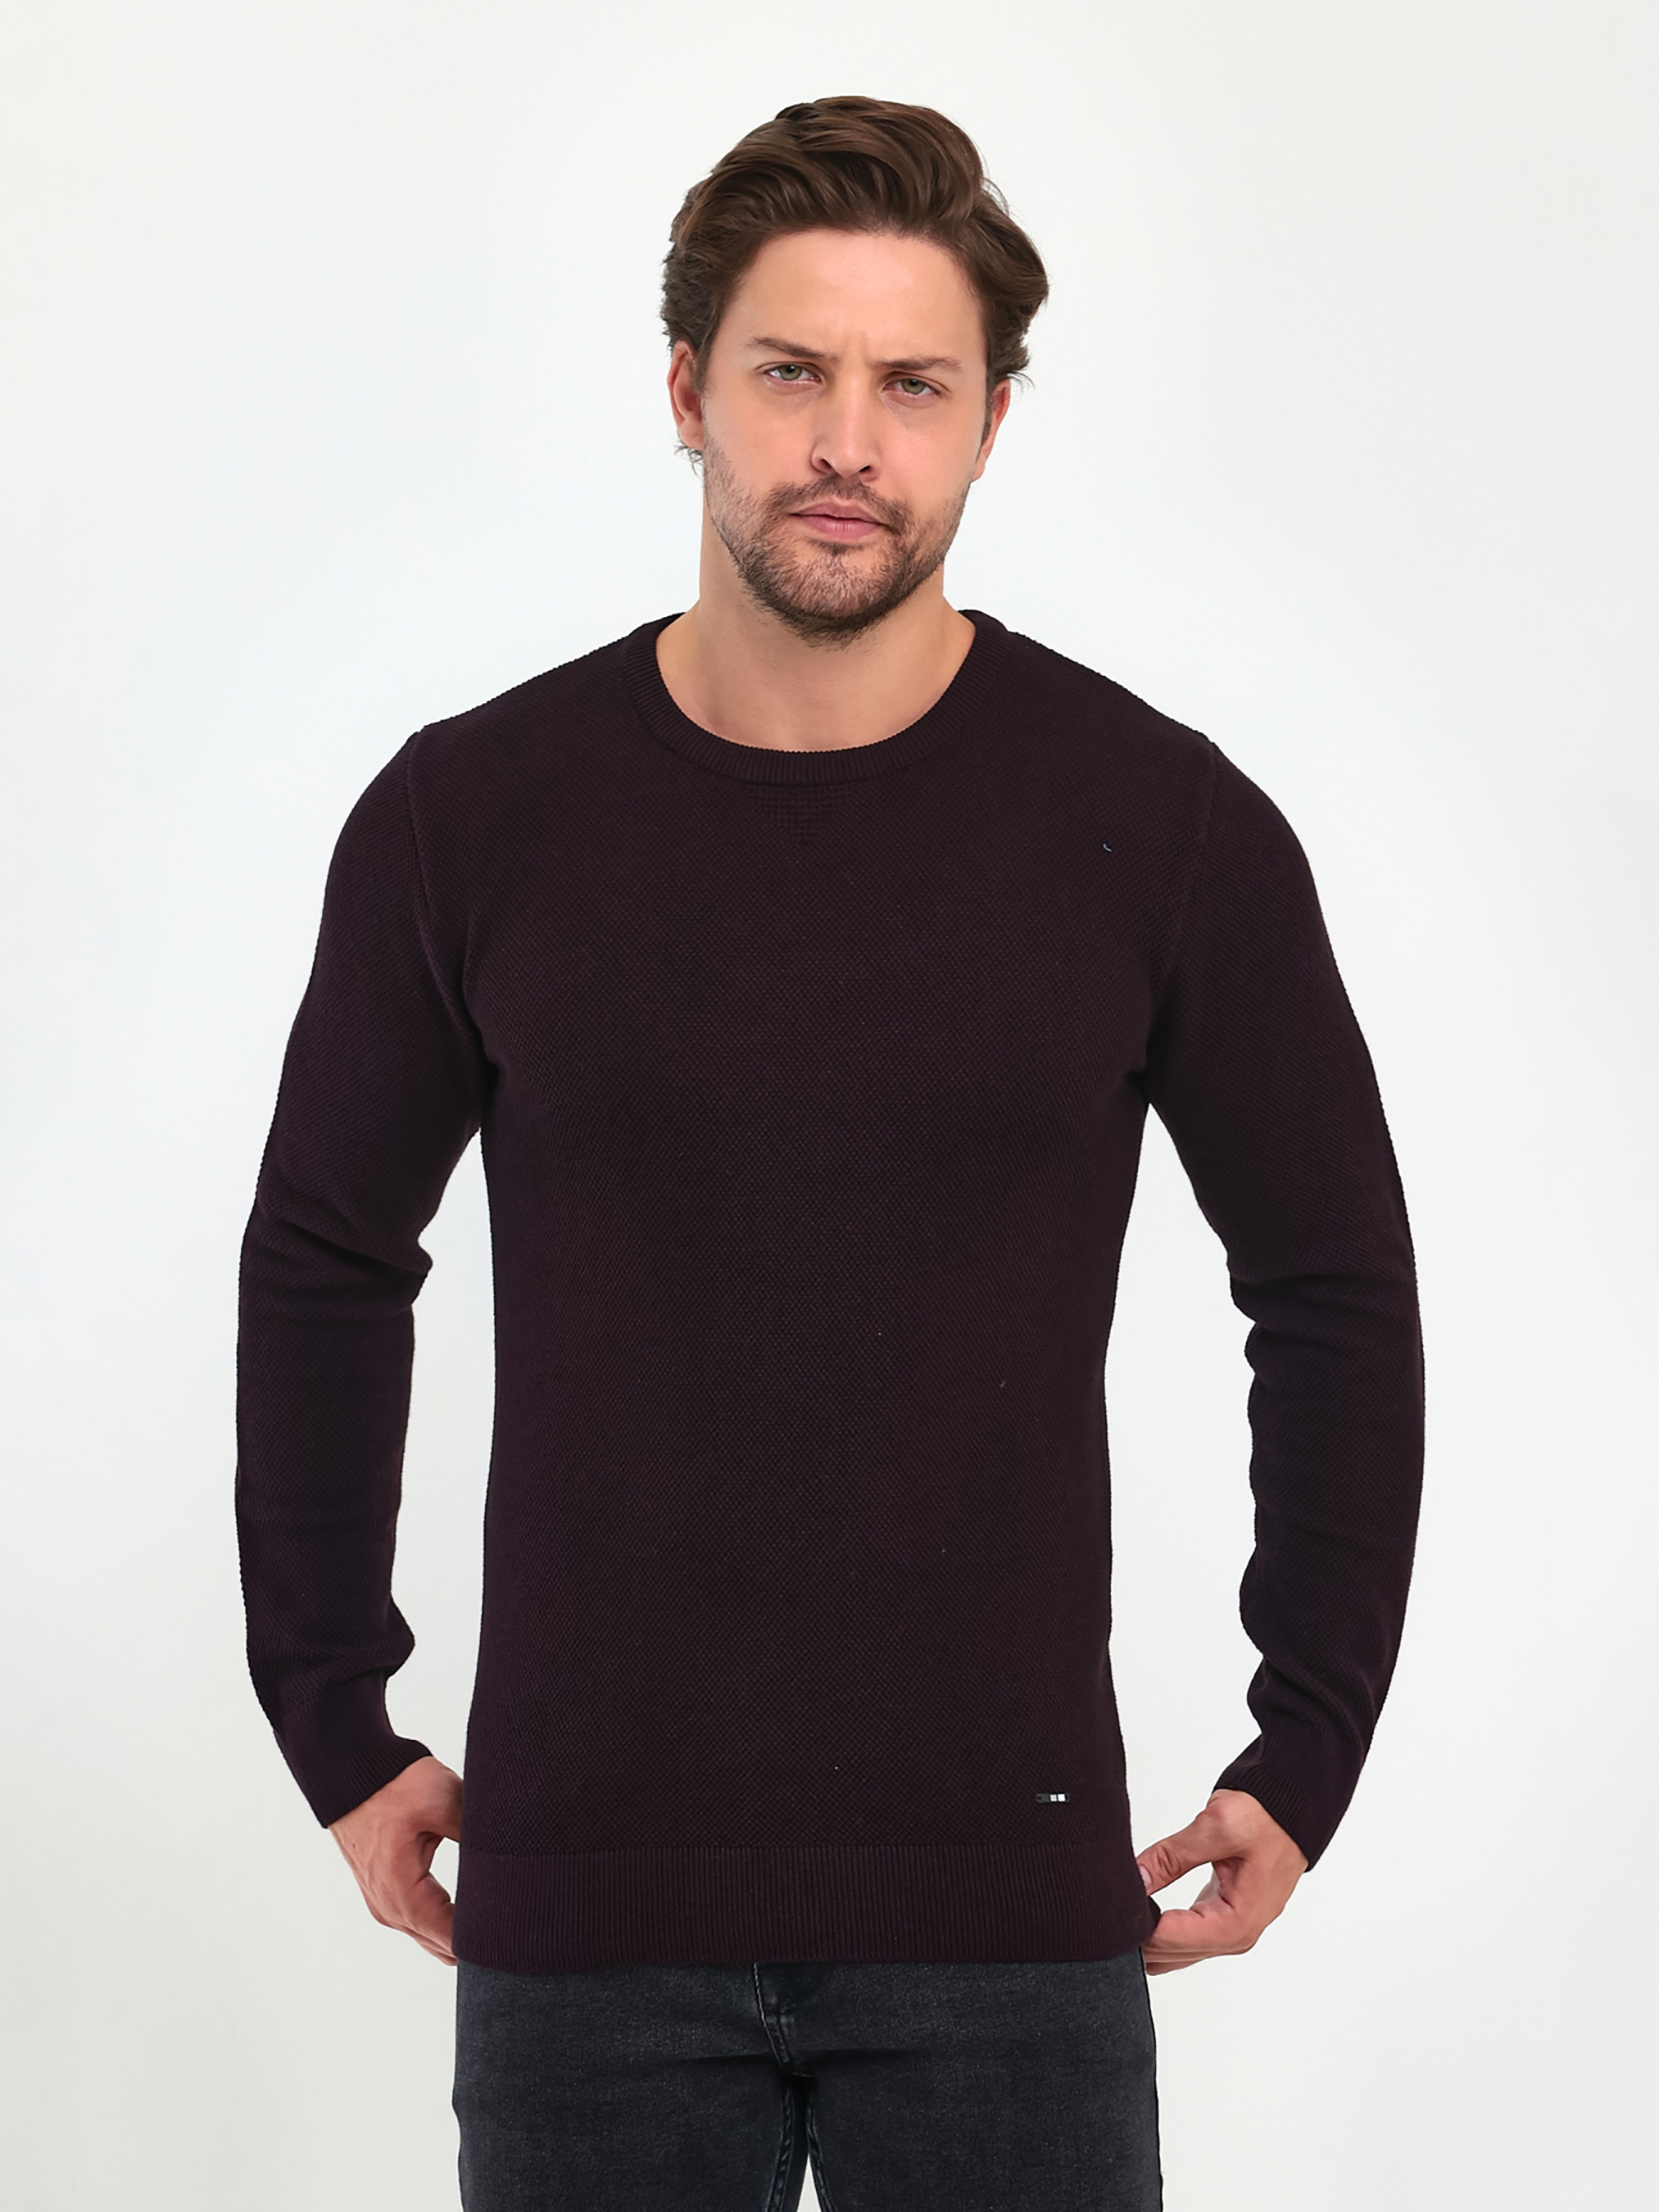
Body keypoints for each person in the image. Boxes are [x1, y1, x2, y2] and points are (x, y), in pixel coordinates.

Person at [234, 93, 1425, 2212]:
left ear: (989, 423)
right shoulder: (470, 818)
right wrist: (333, 1709)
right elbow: (328, 1258)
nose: (847, 442)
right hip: (587, 1912)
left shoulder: (1161, 828)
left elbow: (1330, 1284)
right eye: (792, 370)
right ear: (688, 388)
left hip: (1010, 1919)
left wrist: (1308, 1731)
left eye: (914, 385)